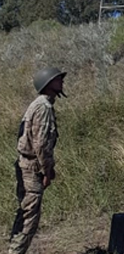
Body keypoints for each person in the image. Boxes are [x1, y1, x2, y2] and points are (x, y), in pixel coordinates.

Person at [8, 67, 65, 254]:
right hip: (32, 168)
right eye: (58, 80)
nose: (62, 82)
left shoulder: (39, 104)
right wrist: (47, 171)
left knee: (25, 214)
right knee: (28, 220)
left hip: (27, 164)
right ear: (48, 85)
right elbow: (41, 145)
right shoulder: (44, 107)